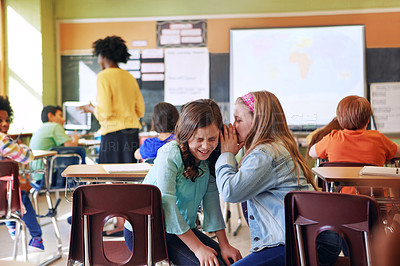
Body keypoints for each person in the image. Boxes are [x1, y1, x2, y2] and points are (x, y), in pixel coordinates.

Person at [125, 99, 242, 266]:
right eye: (199, 139)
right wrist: (198, 248)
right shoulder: (170, 153)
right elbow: (167, 205)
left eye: (212, 138)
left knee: (227, 262)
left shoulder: (208, 158)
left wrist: (225, 245)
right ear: (186, 135)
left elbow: (212, 202)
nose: (206, 146)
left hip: (181, 230)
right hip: (147, 232)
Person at [215, 91, 318, 265]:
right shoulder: (276, 147)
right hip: (305, 240)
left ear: (257, 121)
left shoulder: (264, 154)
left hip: (294, 244)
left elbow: (229, 192)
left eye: (238, 120)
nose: (233, 126)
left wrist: (226, 154)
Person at [308, 95, 400, 194]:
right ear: (368, 120)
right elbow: (398, 152)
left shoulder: (332, 138)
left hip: (343, 202)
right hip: (376, 202)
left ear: (340, 120)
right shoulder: (378, 139)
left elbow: (312, 153)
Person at [79, 35, 145, 164]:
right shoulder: (129, 77)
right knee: (128, 176)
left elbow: (105, 113)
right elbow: (140, 111)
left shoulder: (104, 76)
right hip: (131, 133)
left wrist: (91, 108)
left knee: (110, 177)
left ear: (102, 57)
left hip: (113, 134)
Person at [0, 96, 45, 251]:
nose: (5, 124)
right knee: (20, 197)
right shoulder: (3, 140)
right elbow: (27, 157)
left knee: (10, 193)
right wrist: (20, 145)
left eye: (7, 120)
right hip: (2, 200)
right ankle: (37, 237)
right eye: (0, 120)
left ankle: (12, 228)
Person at [29, 105, 79, 183]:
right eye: (60, 115)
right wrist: (76, 138)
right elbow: (70, 145)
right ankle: (82, 183)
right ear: (51, 116)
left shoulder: (40, 128)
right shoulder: (55, 126)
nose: (64, 119)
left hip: (36, 174)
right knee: (79, 152)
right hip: (48, 175)